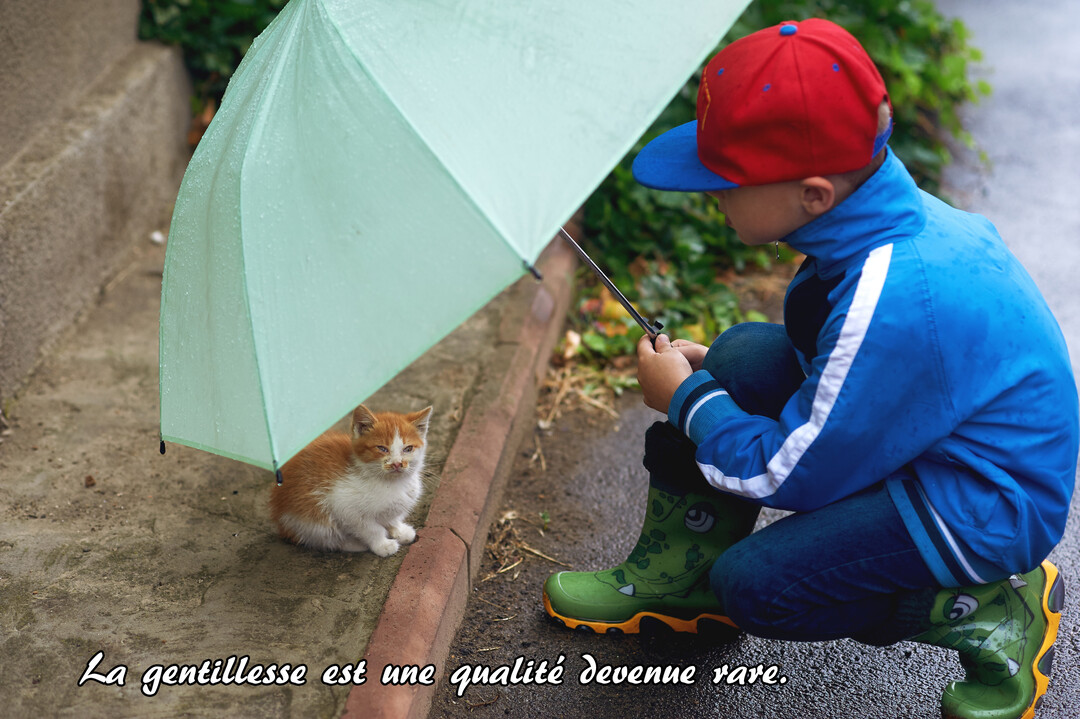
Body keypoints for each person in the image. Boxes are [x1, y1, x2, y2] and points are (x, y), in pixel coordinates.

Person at [542, 18, 1077, 719]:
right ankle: (682, 578)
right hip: (929, 442)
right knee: (739, 357)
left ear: (814, 193)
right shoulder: (869, 219)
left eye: (726, 181)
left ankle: (994, 609)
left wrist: (689, 402)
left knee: (760, 586)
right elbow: (830, 370)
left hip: (979, 502)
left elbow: (792, 472)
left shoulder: (895, 293)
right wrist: (709, 386)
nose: (712, 195)